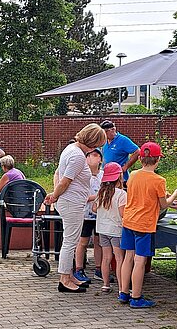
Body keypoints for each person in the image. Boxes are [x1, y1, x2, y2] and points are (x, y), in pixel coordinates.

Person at [118, 142, 177, 308]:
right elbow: (163, 204)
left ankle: (124, 293)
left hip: (129, 220)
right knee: (140, 261)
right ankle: (137, 297)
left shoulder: (132, 175)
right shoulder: (159, 180)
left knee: (128, 257)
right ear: (157, 160)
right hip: (143, 224)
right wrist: (175, 194)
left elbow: (140, 194)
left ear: (140, 159)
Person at [44, 123, 108, 293]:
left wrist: (55, 194)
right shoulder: (78, 156)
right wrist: (55, 195)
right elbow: (66, 181)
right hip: (72, 203)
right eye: (97, 144)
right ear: (92, 141)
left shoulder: (71, 148)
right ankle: (64, 279)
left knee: (70, 240)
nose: (97, 148)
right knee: (70, 241)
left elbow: (59, 174)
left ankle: (69, 275)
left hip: (72, 202)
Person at [94, 162, 126, 293]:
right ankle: (121, 288)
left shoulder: (101, 192)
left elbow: (94, 208)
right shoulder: (121, 194)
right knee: (119, 258)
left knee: (106, 258)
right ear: (119, 176)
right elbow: (123, 213)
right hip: (116, 230)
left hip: (102, 229)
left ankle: (106, 285)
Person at [77, 149, 103, 285]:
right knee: (83, 242)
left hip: (99, 215)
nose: (92, 158)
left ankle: (99, 269)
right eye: (89, 155)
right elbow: (82, 197)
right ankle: (79, 269)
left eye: (96, 155)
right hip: (85, 214)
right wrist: (97, 196)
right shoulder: (83, 176)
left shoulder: (103, 176)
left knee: (99, 242)